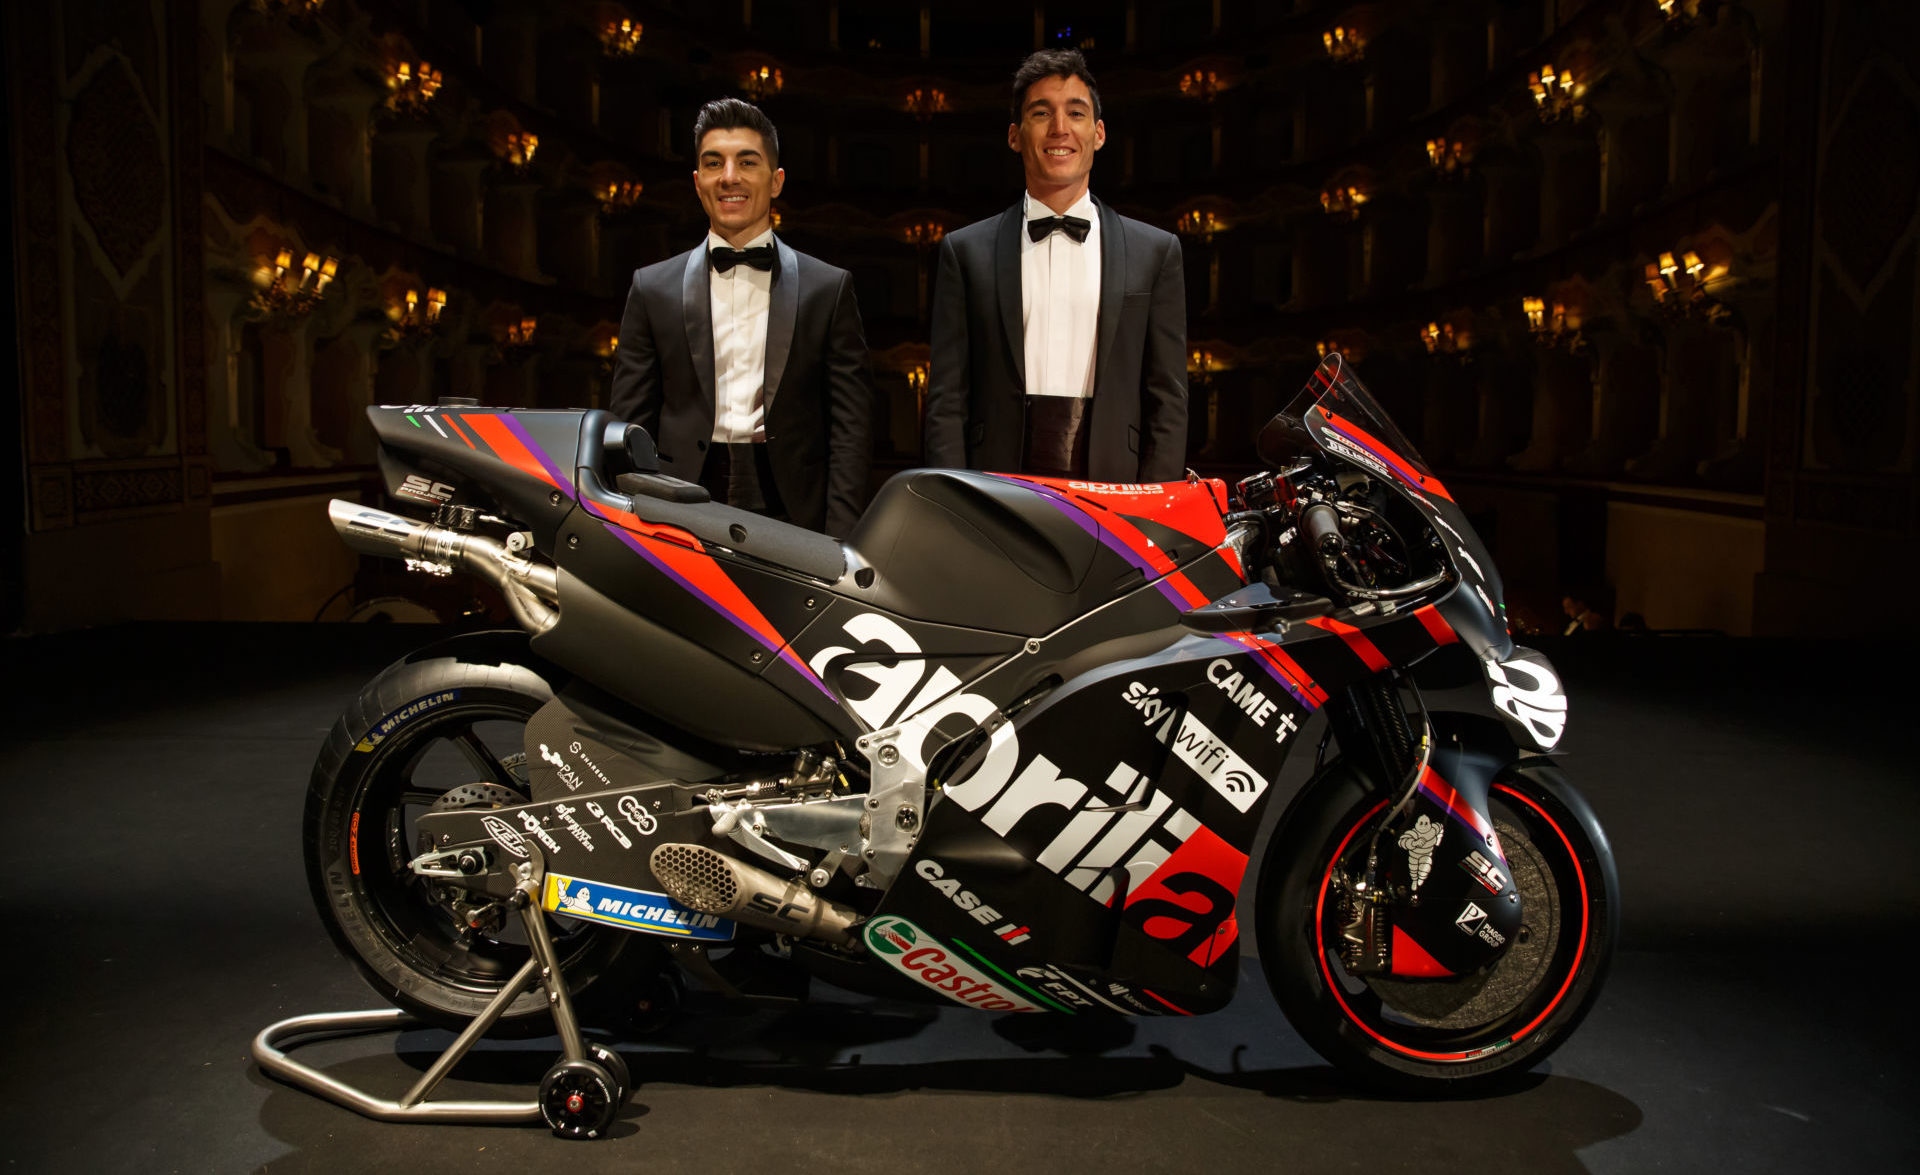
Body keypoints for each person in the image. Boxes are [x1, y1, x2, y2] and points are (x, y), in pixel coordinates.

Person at [609, 98, 872, 537]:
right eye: (714, 164)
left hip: (792, 504)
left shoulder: (829, 287)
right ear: (698, 182)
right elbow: (629, 423)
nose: (729, 177)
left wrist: (841, 536)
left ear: (776, 181)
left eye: (746, 162)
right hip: (676, 500)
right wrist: (628, 520)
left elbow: (851, 428)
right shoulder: (651, 288)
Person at [923, 49, 1189, 483]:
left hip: (1115, 491)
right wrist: (956, 504)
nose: (1060, 128)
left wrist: (1152, 508)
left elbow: (1169, 402)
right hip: (995, 490)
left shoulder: (1155, 252)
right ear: (1015, 135)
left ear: (1099, 133)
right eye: (1041, 113)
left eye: (1076, 113)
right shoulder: (965, 251)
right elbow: (947, 401)